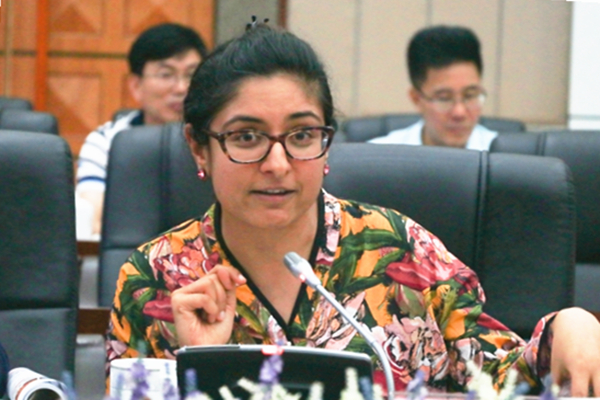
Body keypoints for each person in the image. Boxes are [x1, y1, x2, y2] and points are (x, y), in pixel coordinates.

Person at [105, 23, 600, 396]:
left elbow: (500, 380)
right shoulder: (155, 279)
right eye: (247, 137)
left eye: (302, 135)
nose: (277, 164)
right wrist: (200, 364)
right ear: (199, 148)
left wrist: (568, 329)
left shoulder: (400, 251)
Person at [76, 23, 208, 235]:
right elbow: (93, 222)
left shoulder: (216, 139)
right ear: (136, 86)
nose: (181, 88)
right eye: (166, 75)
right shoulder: (105, 141)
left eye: (192, 75)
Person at [368, 25, 497, 151]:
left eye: (470, 95)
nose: (459, 113)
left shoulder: (502, 155)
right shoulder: (378, 156)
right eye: (444, 98)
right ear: (416, 99)